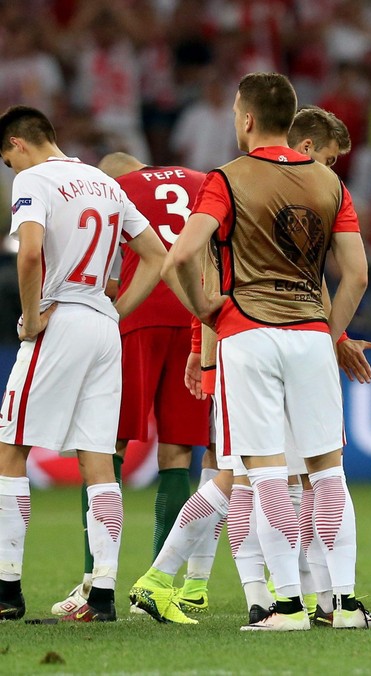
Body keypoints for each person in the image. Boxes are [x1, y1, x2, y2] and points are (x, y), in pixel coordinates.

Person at [157, 72, 371, 631]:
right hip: (310, 333)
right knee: (329, 473)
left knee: (266, 472)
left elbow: (180, 256)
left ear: (247, 118)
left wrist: (206, 309)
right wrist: (329, 333)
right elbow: (356, 274)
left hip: (247, 332)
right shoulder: (331, 184)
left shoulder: (226, 179)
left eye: (235, 114)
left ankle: (286, 607)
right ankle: (344, 604)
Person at [0, 105, 167, 622]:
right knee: (97, 459)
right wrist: (117, 310)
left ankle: (7, 590)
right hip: (102, 326)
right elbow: (157, 254)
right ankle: (103, 593)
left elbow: (28, 255)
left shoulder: (34, 183)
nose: (11, 170)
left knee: (10, 447)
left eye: (8, 160)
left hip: (59, 319)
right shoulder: (104, 183)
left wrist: (31, 318)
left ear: (20, 144)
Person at [49, 151, 213, 620]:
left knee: (107, 447)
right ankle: (157, 587)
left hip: (137, 316)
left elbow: (110, 270)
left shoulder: (114, 190)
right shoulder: (202, 179)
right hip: (198, 317)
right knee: (179, 454)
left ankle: (91, 583)